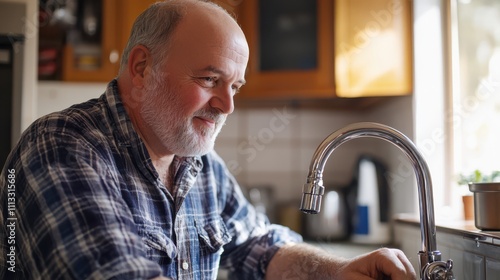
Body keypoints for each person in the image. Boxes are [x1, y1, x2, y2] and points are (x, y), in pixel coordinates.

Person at [0, 0, 417, 279]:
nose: (226, 105)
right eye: (209, 79)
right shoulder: (61, 146)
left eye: (234, 86)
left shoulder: (200, 165)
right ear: (143, 67)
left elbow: (259, 247)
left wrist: (339, 271)